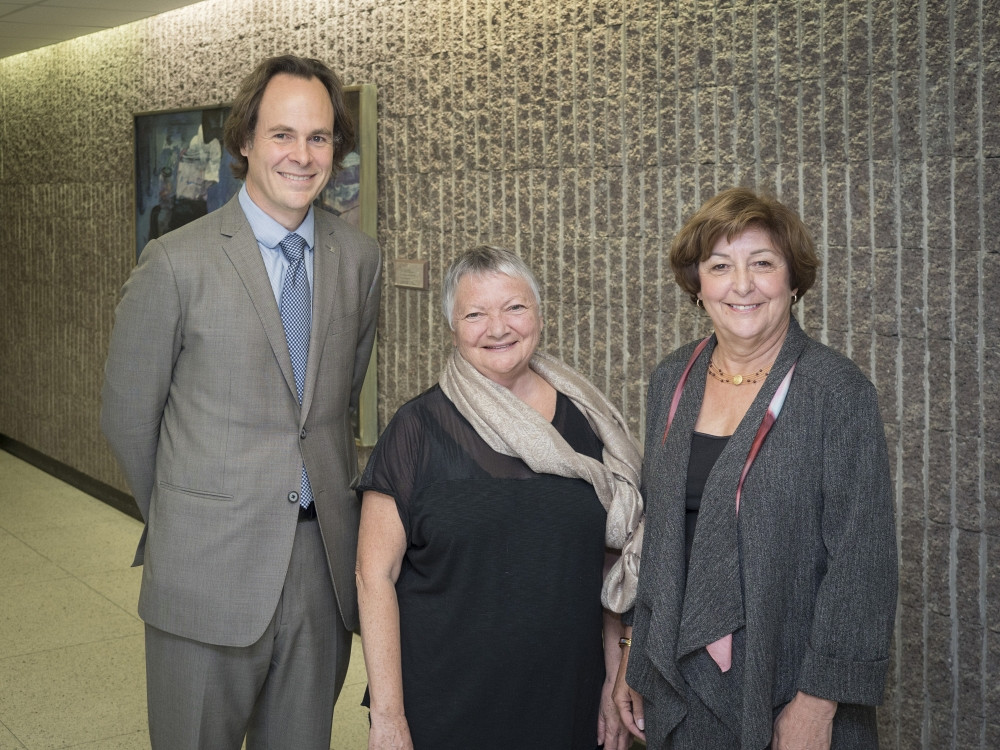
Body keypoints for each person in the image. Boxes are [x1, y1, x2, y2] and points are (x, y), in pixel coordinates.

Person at [100, 54, 382, 750]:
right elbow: (129, 415)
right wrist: (191, 518)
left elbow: (335, 402)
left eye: (319, 137)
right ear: (245, 142)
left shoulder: (358, 259)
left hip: (321, 568)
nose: (302, 154)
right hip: (206, 571)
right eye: (282, 134)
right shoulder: (175, 262)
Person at [613, 187, 898, 750]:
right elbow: (661, 535)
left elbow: (862, 562)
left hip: (792, 682)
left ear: (793, 281)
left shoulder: (835, 391)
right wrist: (636, 653)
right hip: (681, 677)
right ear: (699, 286)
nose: (741, 285)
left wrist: (817, 704)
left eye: (762, 263)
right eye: (720, 266)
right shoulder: (672, 380)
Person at [355, 246, 644, 749]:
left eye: (514, 307)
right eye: (475, 313)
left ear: (538, 313)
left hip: (567, 698)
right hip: (444, 704)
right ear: (451, 327)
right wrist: (389, 718)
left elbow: (612, 566)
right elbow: (373, 575)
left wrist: (614, 677)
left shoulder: (590, 422)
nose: (498, 327)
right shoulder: (416, 430)